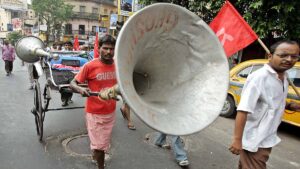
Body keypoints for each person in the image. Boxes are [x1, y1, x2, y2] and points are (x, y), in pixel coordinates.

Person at [229, 40, 300, 169]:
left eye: (294, 56)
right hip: (255, 138)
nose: (289, 59)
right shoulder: (259, 77)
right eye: (283, 55)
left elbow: (271, 102)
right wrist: (237, 140)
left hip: (267, 136)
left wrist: (290, 105)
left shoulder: (283, 77)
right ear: (270, 56)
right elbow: (243, 110)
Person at [70, 34, 117, 169]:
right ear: (99, 48)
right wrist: (80, 89)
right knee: (101, 146)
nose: (109, 52)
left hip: (111, 111)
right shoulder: (90, 66)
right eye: (106, 48)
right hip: (94, 113)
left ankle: (95, 152)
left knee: (102, 141)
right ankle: (101, 166)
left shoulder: (119, 65)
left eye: (112, 49)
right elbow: (72, 83)